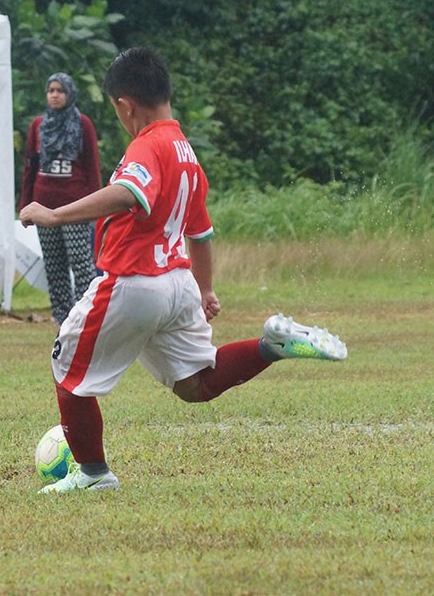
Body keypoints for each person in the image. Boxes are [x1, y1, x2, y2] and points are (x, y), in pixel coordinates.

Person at [19, 47, 347, 493]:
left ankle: (94, 475)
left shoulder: (147, 145)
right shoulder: (185, 150)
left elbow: (127, 193)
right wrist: (204, 287)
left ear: (124, 105)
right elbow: (202, 232)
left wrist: (55, 215)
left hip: (132, 282)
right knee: (197, 385)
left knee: (68, 376)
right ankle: (272, 345)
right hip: (177, 284)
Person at [20, 73, 101, 323]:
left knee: (81, 263)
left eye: (60, 90)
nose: (54, 95)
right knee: (54, 266)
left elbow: (91, 166)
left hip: (75, 205)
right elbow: (30, 167)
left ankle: (86, 314)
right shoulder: (38, 125)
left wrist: (96, 207)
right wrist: (25, 206)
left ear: (69, 94)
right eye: (50, 90)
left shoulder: (83, 123)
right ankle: (63, 317)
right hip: (43, 204)